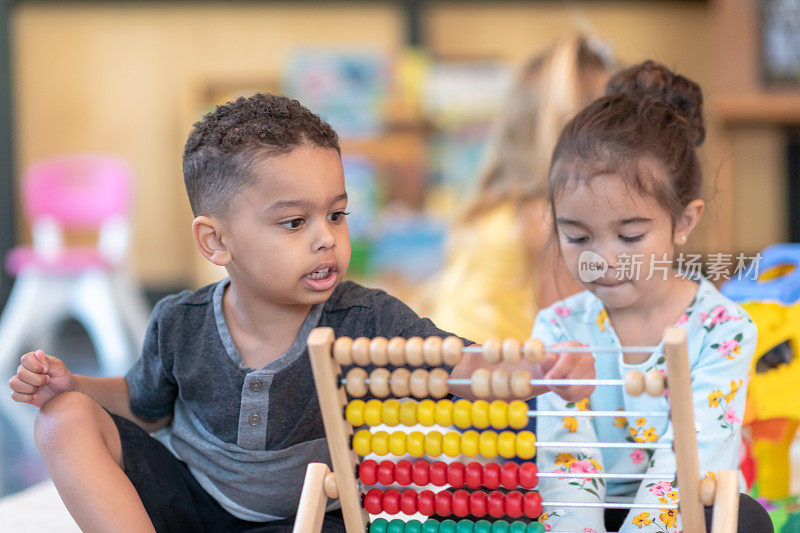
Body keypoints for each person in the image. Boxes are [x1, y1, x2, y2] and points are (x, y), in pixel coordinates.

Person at [8, 93, 595, 532]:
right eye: (294, 223)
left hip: (311, 519)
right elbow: (145, 406)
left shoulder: (366, 317)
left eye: (336, 215)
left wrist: (540, 371)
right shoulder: (179, 322)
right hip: (188, 502)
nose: (325, 239)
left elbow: (455, 364)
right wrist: (75, 384)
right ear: (215, 243)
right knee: (63, 417)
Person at [533, 61, 772, 532]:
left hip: (681, 508)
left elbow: (691, 460)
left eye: (630, 237)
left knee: (744, 518)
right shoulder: (558, 327)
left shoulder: (724, 329)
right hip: (592, 514)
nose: (603, 259)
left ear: (683, 222)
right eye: (578, 238)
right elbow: (567, 465)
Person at [426, 35, 614, 343]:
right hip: (501, 384)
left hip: (451, 373)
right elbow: (575, 339)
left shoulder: (495, 210)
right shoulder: (550, 223)